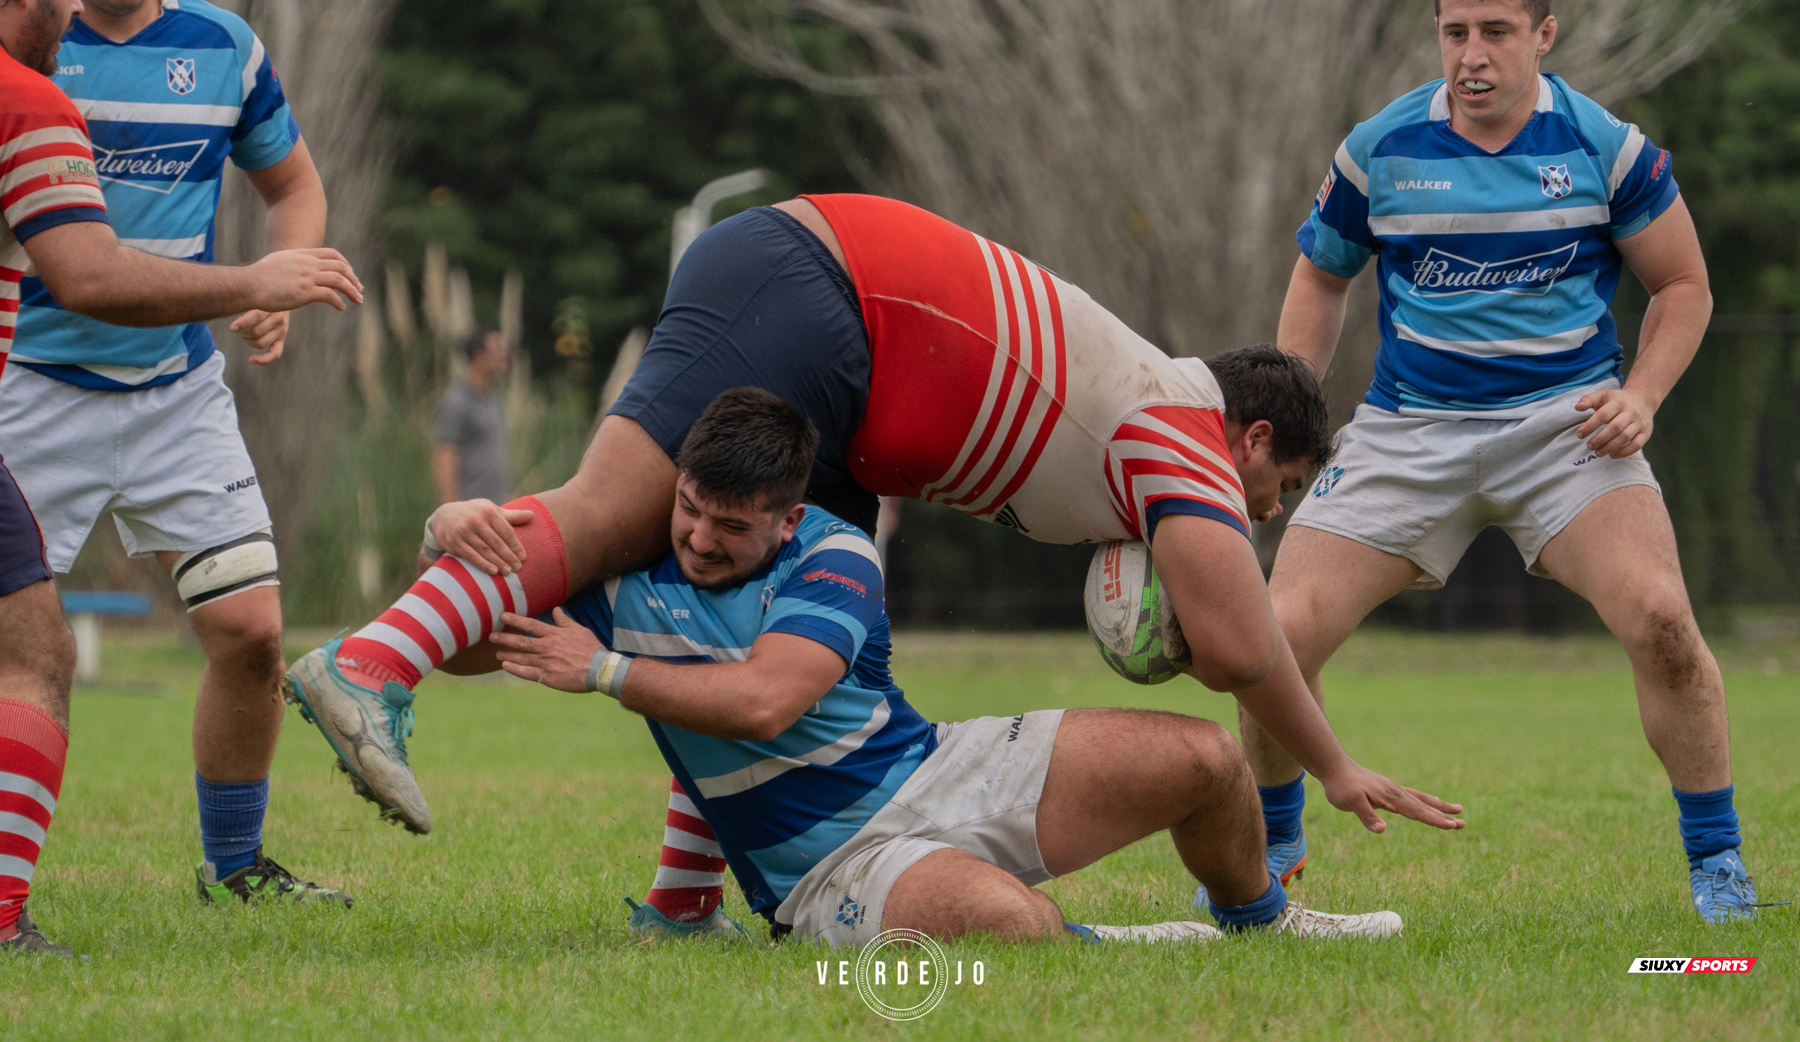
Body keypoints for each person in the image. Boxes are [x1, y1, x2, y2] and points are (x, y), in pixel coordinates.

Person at [286, 194, 1462, 936]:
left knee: (734, 593)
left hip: (834, 345)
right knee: (613, 522)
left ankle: (683, 903)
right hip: (828, 292)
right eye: (1284, 491)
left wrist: (463, 532)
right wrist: (1337, 766)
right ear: (1256, 441)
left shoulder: (1141, 425)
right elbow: (1245, 647)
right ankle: (371, 666)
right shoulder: (1186, 437)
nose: (1260, 515)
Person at [1236, 0, 1768, 924]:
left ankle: (1718, 868)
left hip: (1568, 435)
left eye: (1495, 32)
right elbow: (1321, 272)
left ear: (1544, 35)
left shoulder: (1607, 150)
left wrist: (1642, 394)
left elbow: (1685, 288)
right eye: (1453, 33)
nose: (1471, 54)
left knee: (1663, 618)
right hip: (1408, 434)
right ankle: (1275, 846)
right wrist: (1297, 407)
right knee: (1278, 632)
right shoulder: (1381, 150)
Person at [491, 387, 1406, 943]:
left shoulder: (836, 554)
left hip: (933, 764)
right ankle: (1116, 942)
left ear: (787, 517)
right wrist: (452, 534)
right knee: (1008, 928)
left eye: (732, 526)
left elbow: (768, 701)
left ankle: (1261, 925)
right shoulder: (627, 583)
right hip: (828, 869)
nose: (698, 537)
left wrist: (603, 673)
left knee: (1208, 762)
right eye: (690, 508)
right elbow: (472, 643)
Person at [0, 0, 361, 956]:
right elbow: (92, 274)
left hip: (174, 392)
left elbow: (292, 186)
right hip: (34, 386)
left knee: (250, 633)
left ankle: (238, 865)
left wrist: (281, 279)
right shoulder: (38, 81)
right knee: (25, 652)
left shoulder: (220, 47)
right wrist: (254, 282)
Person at [434, 328, 511, 507]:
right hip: (471, 512)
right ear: (478, 356)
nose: (504, 354)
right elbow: (445, 458)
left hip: (496, 507)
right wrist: (452, 510)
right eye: (497, 349)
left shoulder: (492, 399)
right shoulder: (456, 401)